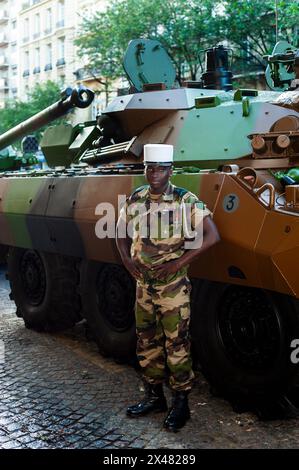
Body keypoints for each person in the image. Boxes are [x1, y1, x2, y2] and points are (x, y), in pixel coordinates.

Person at [116, 143, 220, 432]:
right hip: (143, 286)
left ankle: (181, 403)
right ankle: (154, 396)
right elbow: (119, 232)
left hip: (172, 287)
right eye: (150, 168)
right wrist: (126, 260)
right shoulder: (136, 198)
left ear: (170, 170)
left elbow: (212, 236)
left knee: (177, 344)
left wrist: (178, 264)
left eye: (160, 168)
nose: (154, 174)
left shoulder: (186, 200)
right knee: (146, 340)